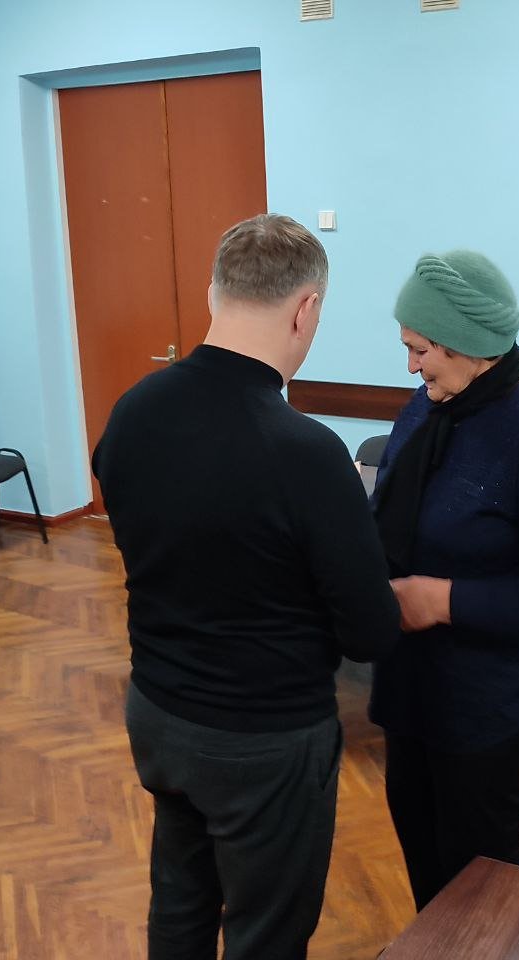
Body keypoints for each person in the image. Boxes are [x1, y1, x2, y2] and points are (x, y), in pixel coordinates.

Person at [91, 214, 400, 960]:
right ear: (306, 309)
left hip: (158, 710)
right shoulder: (307, 452)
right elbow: (369, 633)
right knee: (268, 932)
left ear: (213, 293)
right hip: (262, 738)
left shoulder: (134, 410)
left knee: (181, 902)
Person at [370, 249, 519, 910]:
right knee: (420, 844)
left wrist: (441, 600)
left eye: (420, 349)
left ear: (467, 346)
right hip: (412, 682)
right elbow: (392, 519)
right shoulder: (428, 406)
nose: (411, 366)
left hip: (491, 702)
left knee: (478, 877)